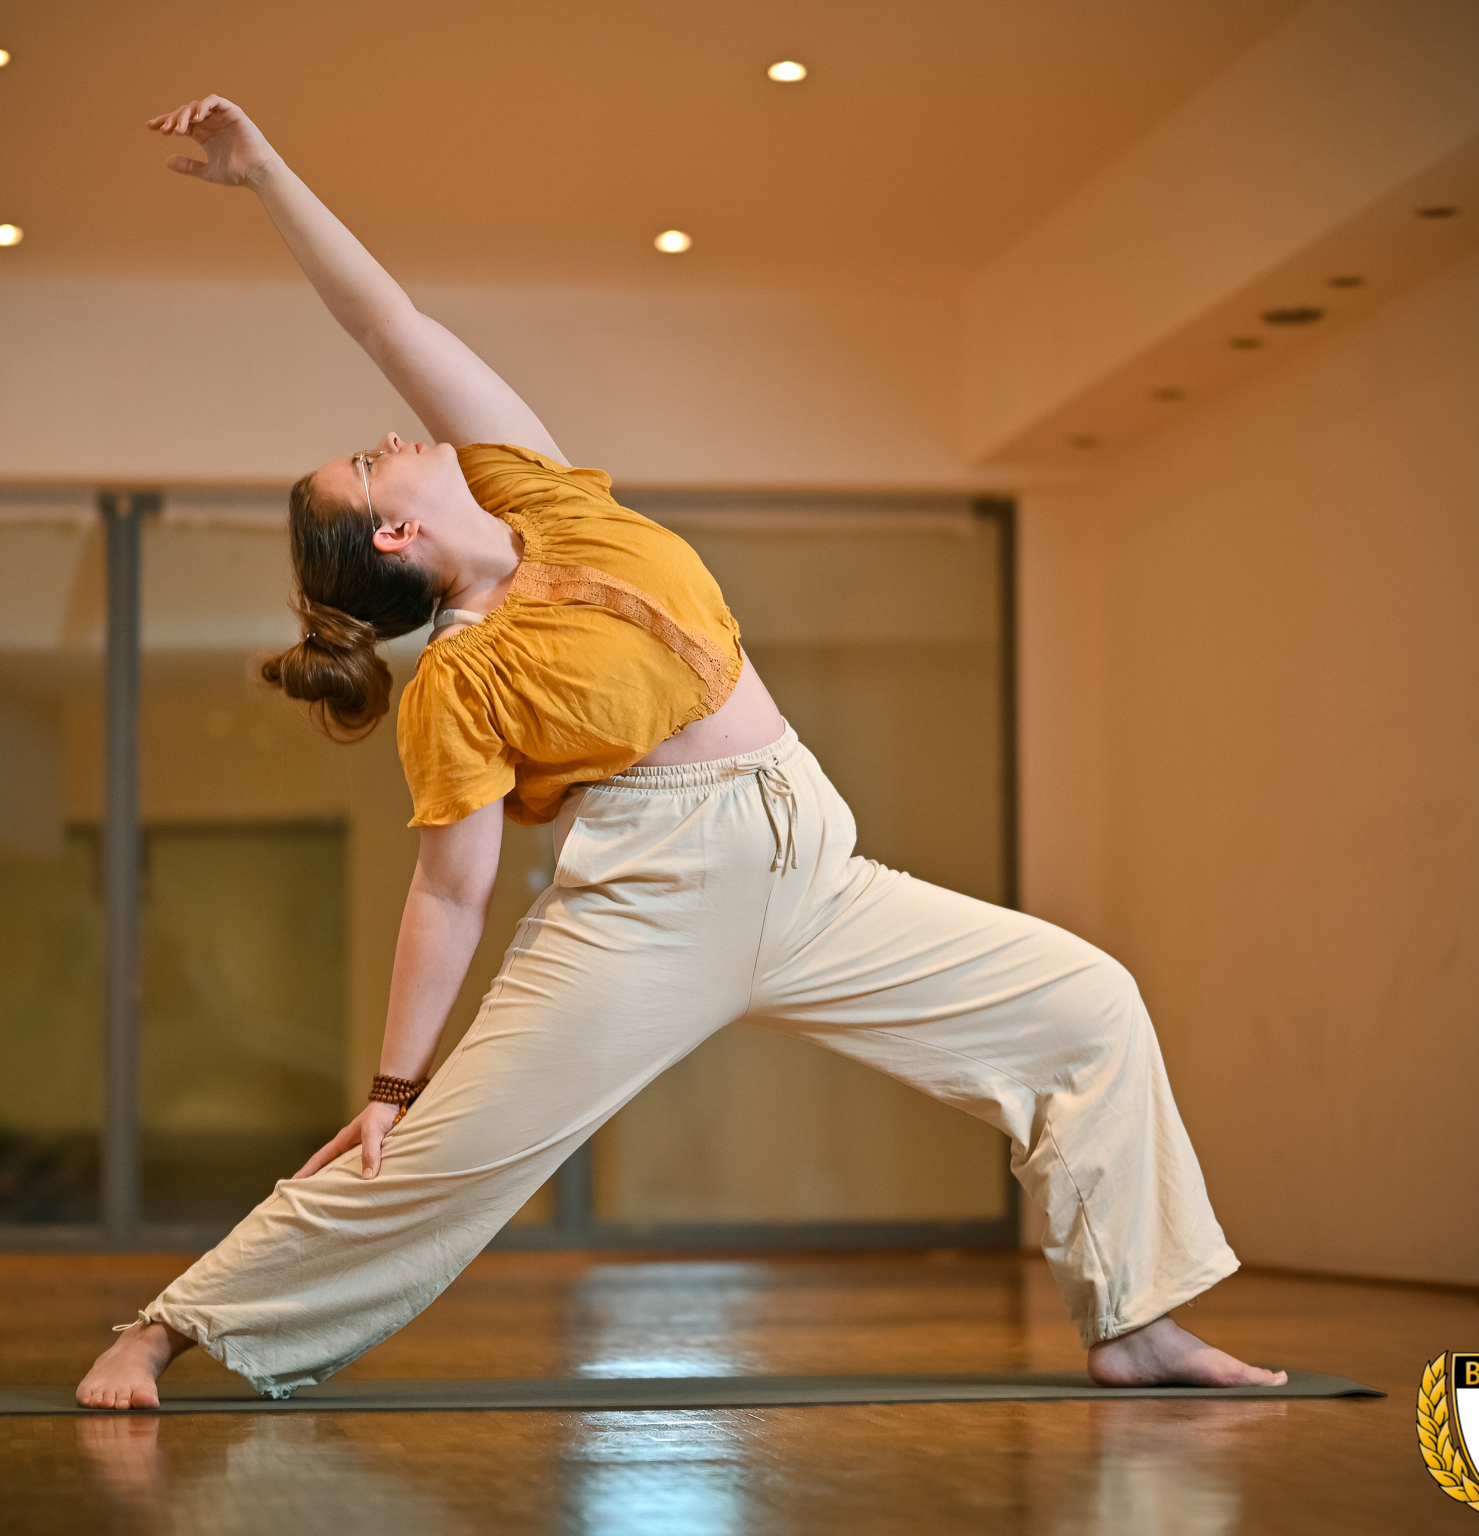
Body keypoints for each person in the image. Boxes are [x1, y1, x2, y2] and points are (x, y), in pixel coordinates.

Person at [76, 94, 1286, 1409]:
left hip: (814, 873)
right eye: (376, 459)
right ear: (394, 536)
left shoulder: (542, 497)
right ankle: (166, 1329)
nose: (401, 435)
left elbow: (389, 322)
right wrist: (390, 1085)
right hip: (653, 904)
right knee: (431, 1163)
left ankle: (1135, 1323)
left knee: (1088, 1006)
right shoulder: (461, 682)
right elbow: (451, 891)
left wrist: (266, 174)